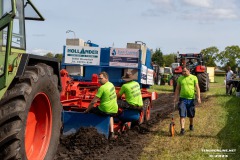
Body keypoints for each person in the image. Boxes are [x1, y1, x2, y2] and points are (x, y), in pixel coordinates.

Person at [84, 71, 118, 139]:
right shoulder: (111, 84)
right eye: (98, 78)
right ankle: (112, 133)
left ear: (106, 78)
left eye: (101, 78)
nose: (99, 80)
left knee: (92, 110)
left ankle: (91, 130)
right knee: (110, 115)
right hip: (114, 110)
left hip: (104, 110)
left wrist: (87, 110)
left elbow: (93, 102)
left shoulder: (102, 88)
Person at [174, 65, 201, 135]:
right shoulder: (180, 78)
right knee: (182, 114)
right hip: (182, 99)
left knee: (191, 115)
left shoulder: (194, 78)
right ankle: (182, 129)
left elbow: (197, 88)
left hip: (191, 99)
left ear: (189, 70)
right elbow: (177, 88)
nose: (183, 72)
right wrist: (176, 97)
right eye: (183, 71)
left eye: (185, 71)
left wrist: (198, 97)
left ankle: (191, 125)